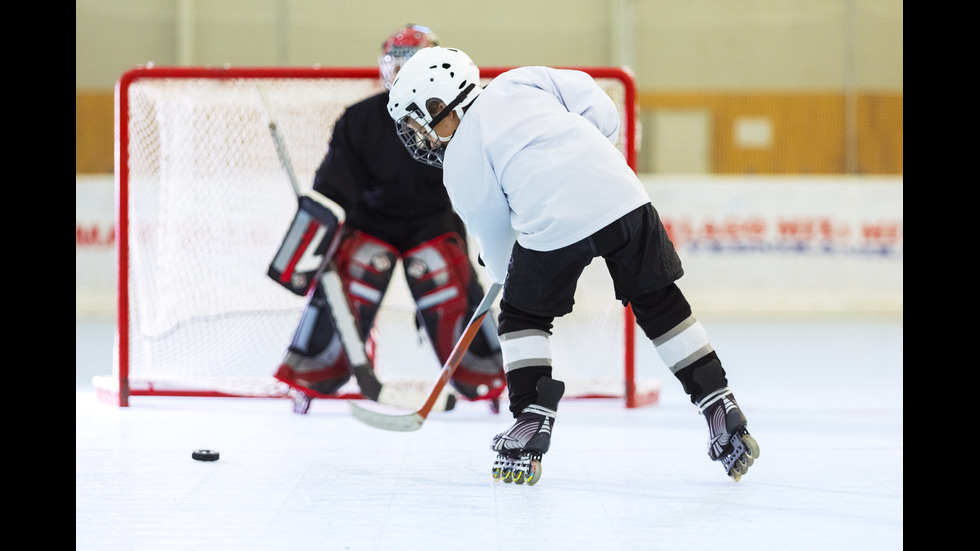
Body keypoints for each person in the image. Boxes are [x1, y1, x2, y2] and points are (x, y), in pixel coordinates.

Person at [385, 46, 760, 485]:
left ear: (439, 104)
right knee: (659, 302)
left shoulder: (461, 159)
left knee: (523, 317)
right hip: (624, 195)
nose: (422, 138)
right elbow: (599, 108)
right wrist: (578, 160)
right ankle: (718, 401)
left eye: (418, 123)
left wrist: (506, 269)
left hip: (554, 221)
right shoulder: (518, 79)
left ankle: (529, 421)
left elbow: (499, 244)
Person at [271, 27, 507, 414]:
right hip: (371, 223)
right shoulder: (360, 119)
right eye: (395, 64)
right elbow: (334, 188)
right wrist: (313, 240)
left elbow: (476, 178)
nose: (400, 73)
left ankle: (486, 377)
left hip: (432, 221)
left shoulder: (456, 116)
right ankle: (313, 374)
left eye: (411, 65)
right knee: (357, 266)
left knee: (441, 272)